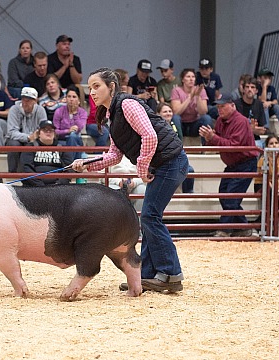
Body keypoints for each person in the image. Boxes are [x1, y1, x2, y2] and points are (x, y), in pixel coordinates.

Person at [72, 67, 187, 294]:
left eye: (97, 87)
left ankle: (171, 274)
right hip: (164, 164)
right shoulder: (112, 115)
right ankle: (147, 275)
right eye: (90, 87)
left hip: (170, 161)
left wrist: (142, 168)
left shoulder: (127, 104)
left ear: (111, 87)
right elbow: (115, 155)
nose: (92, 92)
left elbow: (150, 136)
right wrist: (86, 165)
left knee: (150, 216)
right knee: (149, 217)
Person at [199, 93, 258, 237]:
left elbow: (234, 145)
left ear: (233, 106)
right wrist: (210, 138)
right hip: (234, 163)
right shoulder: (220, 120)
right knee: (225, 195)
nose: (220, 109)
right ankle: (245, 228)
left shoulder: (241, 121)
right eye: (218, 107)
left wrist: (212, 137)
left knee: (230, 198)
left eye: (223, 106)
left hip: (245, 163)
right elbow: (220, 140)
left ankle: (224, 230)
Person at [19, 120, 74, 186]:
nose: (48, 132)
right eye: (45, 130)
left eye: (51, 130)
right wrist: (40, 185)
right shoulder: (30, 147)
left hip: (58, 187)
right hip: (34, 187)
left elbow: (69, 169)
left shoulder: (62, 149)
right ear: (39, 133)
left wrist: (59, 184)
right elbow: (26, 168)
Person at [253, 134, 279, 236]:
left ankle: (260, 225)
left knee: (274, 197)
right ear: (267, 146)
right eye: (271, 143)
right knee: (272, 196)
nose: (274, 145)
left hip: (274, 185)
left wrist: (278, 188)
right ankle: (277, 224)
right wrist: (272, 187)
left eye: (276, 143)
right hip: (261, 184)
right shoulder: (263, 159)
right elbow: (263, 177)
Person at [5, 87, 47, 173]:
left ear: (35, 101)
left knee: (31, 145)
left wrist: (33, 137)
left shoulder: (41, 110)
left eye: (28, 101)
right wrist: (28, 137)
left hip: (35, 139)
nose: (25, 103)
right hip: (17, 139)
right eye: (23, 100)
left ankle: (30, 174)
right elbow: (11, 132)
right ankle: (11, 174)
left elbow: (43, 128)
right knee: (14, 144)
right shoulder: (14, 109)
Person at [158, 102, 195, 193]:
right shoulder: (156, 127)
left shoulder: (174, 125)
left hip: (176, 157)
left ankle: (189, 194)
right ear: (158, 114)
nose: (168, 113)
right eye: (165, 111)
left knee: (189, 170)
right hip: (162, 159)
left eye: (170, 111)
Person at [170, 68, 212, 143]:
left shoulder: (200, 90)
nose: (191, 79)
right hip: (181, 124)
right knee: (175, 118)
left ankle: (206, 147)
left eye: (193, 77)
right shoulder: (176, 90)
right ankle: (178, 147)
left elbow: (203, 111)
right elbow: (176, 112)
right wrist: (190, 97)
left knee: (207, 118)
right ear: (183, 80)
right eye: (188, 77)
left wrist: (198, 96)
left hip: (195, 124)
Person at [52, 85, 87, 160]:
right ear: (65, 98)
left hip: (76, 139)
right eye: (69, 96)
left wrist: (75, 113)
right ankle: (73, 163)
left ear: (78, 100)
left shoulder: (82, 112)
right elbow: (55, 131)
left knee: (73, 136)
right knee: (73, 138)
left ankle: (70, 162)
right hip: (62, 140)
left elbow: (79, 127)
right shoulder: (59, 111)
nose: (71, 99)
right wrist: (67, 131)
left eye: (74, 97)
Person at [233, 76, 267, 148]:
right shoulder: (235, 104)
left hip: (255, 140)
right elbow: (234, 128)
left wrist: (253, 130)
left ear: (256, 91)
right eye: (247, 87)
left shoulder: (259, 104)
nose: (249, 89)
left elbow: (262, 130)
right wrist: (251, 129)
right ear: (243, 89)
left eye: (252, 87)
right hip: (240, 140)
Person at [257, 68, 279, 134]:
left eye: (269, 77)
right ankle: (266, 128)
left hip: (270, 108)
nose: (268, 79)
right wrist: (264, 87)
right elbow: (262, 100)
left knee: (277, 107)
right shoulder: (257, 88)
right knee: (264, 105)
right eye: (266, 77)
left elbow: (275, 101)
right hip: (260, 109)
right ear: (260, 78)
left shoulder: (272, 88)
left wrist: (270, 102)